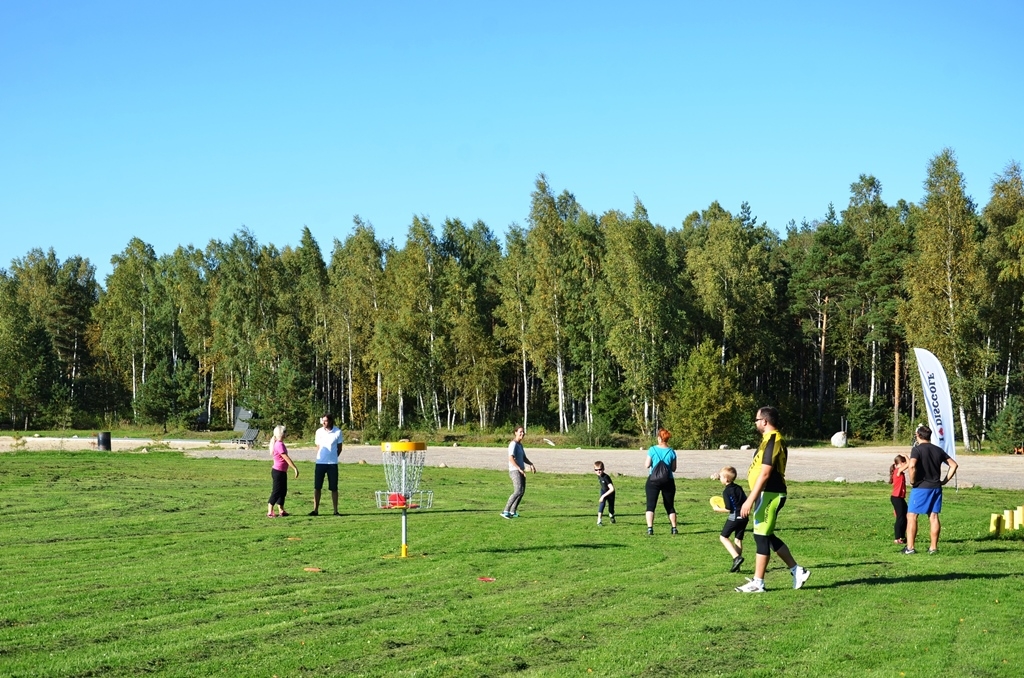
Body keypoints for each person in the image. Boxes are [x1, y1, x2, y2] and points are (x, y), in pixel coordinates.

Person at [735, 406, 810, 593]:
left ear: (765, 421)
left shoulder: (774, 440)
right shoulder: (767, 440)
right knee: (766, 536)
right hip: (765, 494)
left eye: (757, 420)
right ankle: (797, 570)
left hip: (770, 493)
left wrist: (750, 499)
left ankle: (758, 583)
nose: (756, 423)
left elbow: (766, 473)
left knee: (761, 536)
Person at [903, 425, 958, 555]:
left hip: (921, 487)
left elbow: (911, 465)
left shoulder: (917, 450)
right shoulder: (938, 450)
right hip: (936, 487)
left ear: (918, 436)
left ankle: (910, 548)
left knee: (911, 516)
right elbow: (954, 465)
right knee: (933, 516)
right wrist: (944, 481)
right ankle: (933, 548)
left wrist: (912, 480)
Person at [713, 466, 748, 572]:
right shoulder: (739, 488)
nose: (720, 478)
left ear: (726, 479)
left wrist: (717, 509)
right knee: (738, 539)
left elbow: (729, 508)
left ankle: (736, 558)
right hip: (744, 517)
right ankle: (737, 567)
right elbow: (746, 501)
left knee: (723, 537)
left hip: (734, 517)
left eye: (721, 477)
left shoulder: (726, 492)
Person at [644, 428, 678, 536]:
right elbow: (673, 468)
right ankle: (674, 528)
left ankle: (650, 528)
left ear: (659, 438)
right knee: (670, 505)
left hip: (653, 480)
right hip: (668, 480)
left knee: (650, 505)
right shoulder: (672, 452)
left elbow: (647, 465)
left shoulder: (652, 450)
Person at [310, 414, 343, 516]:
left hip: (332, 464)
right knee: (317, 487)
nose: (324, 423)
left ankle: (335, 510)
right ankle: (315, 510)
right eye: (322, 421)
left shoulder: (337, 432)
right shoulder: (319, 432)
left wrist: (333, 457)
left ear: (331, 421)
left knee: (334, 487)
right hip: (320, 463)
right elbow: (318, 446)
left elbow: (339, 448)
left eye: (326, 421)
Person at [502, 426, 536, 518]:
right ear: (515, 433)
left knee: (522, 491)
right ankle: (505, 511)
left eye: (523, 432)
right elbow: (511, 458)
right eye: (520, 432)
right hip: (514, 471)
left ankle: (513, 511)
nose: (522, 434)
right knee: (517, 491)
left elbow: (524, 458)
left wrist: (531, 464)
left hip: (521, 470)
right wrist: (519, 468)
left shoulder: (520, 445)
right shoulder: (513, 444)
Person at [267, 425, 299, 517]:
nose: (286, 434)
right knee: (276, 491)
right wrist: (295, 468)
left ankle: (281, 510)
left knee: (283, 491)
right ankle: (270, 510)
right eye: (285, 432)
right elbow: (286, 458)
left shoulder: (280, 443)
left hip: (282, 471)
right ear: (281, 433)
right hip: (278, 472)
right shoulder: (279, 444)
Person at [890, 454, 909, 545]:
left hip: (900, 498)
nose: (905, 464)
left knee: (906, 517)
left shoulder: (899, 472)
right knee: (900, 518)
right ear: (900, 463)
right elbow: (909, 464)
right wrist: (906, 455)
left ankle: (902, 537)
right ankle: (897, 538)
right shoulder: (897, 471)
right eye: (903, 462)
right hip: (896, 497)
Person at [594, 461, 615, 525]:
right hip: (603, 491)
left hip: (610, 493)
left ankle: (611, 516)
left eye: (600, 469)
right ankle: (599, 521)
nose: (598, 471)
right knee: (602, 505)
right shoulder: (599, 475)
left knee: (611, 508)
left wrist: (603, 496)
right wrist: (602, 495)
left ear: (603, 469)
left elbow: (612, 489)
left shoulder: (606, 477)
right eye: (596, 470)